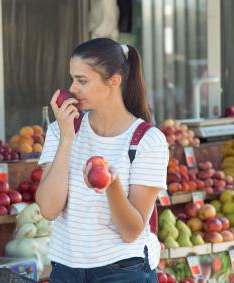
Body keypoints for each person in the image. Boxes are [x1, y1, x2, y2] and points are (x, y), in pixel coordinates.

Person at [35, 38, 169, 283]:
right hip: (66, 270)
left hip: (123, 271)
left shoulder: (147, 141)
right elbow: (48, 209)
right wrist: (66, 140)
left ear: (114, 81)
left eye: (82, 80)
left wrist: (111, 185)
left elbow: (131, 232)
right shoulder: (60, 130)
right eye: (72, 78)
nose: (72, 88)